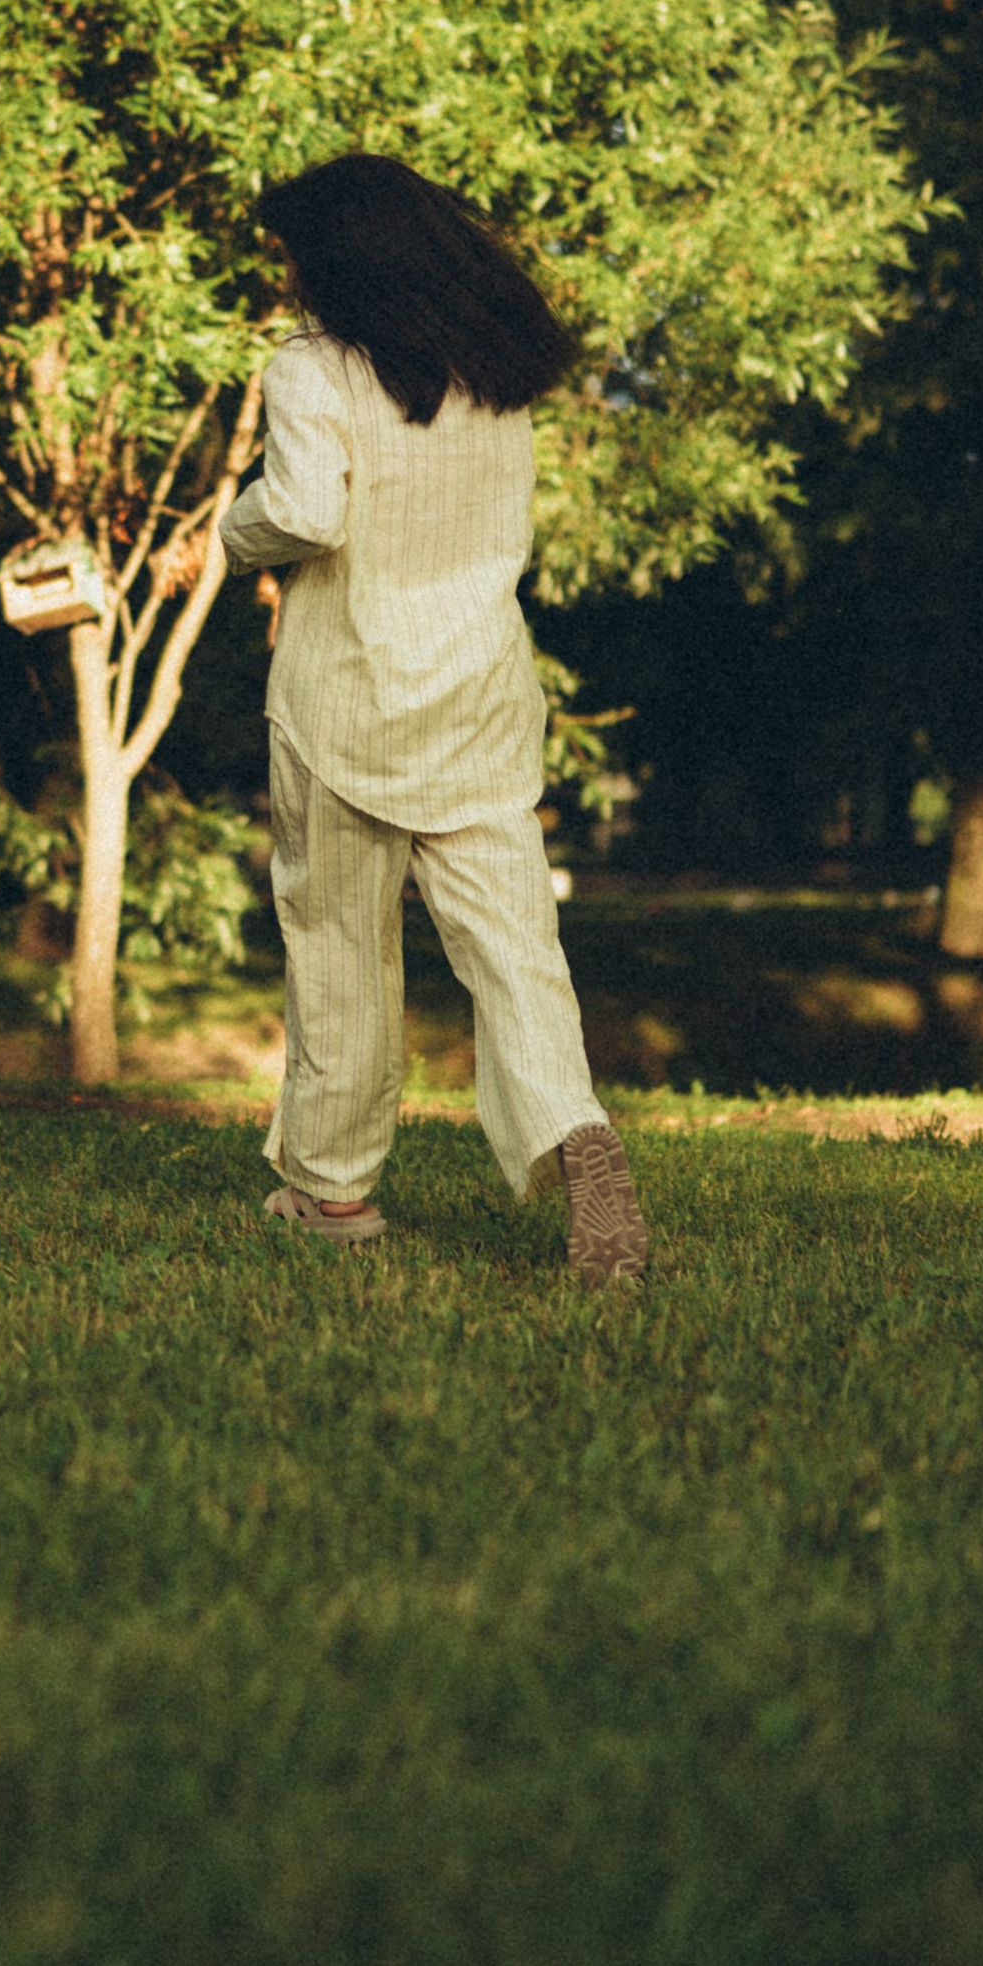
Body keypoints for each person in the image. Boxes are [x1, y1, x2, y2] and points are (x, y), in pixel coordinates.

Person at [219, 152, 649, 1290]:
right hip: (477, 697)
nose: (290, 277)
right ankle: (577, 1136)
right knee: (514, 950)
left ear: (339, 258)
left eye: (295, 254)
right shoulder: (495, 367)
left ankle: (333, 1190)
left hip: (345, 701)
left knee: (340, 946)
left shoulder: (311, 372)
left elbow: (306, 513)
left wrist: (231, 532)